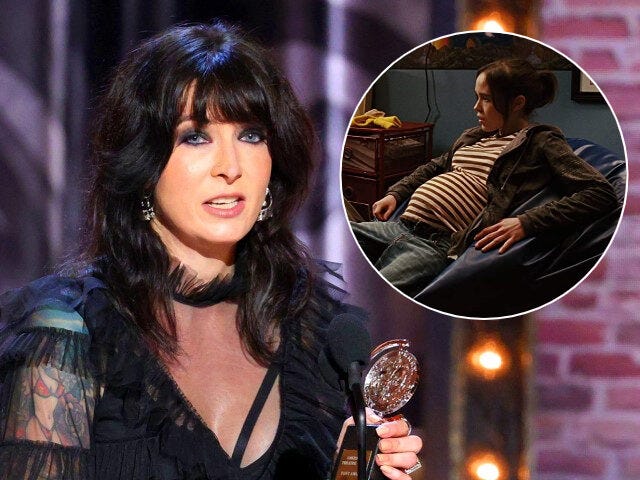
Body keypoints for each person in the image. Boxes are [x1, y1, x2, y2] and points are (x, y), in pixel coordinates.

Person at [0, 23, 422, 480]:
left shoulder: (313, 331)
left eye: (251, 135)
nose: (230, 167)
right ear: (143, 164)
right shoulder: (69, 332)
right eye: (195, 137)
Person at [350, 58, 618, 297]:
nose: (476, 107)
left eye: (486, 99)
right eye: (477, 97)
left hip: (433, 245)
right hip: (398, 226)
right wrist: (394, 193)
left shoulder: (541, 141)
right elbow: (434, 165)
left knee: (369, 298)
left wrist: (526, 222)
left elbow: (599, 193)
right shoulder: (473, 136)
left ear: (517, 103)